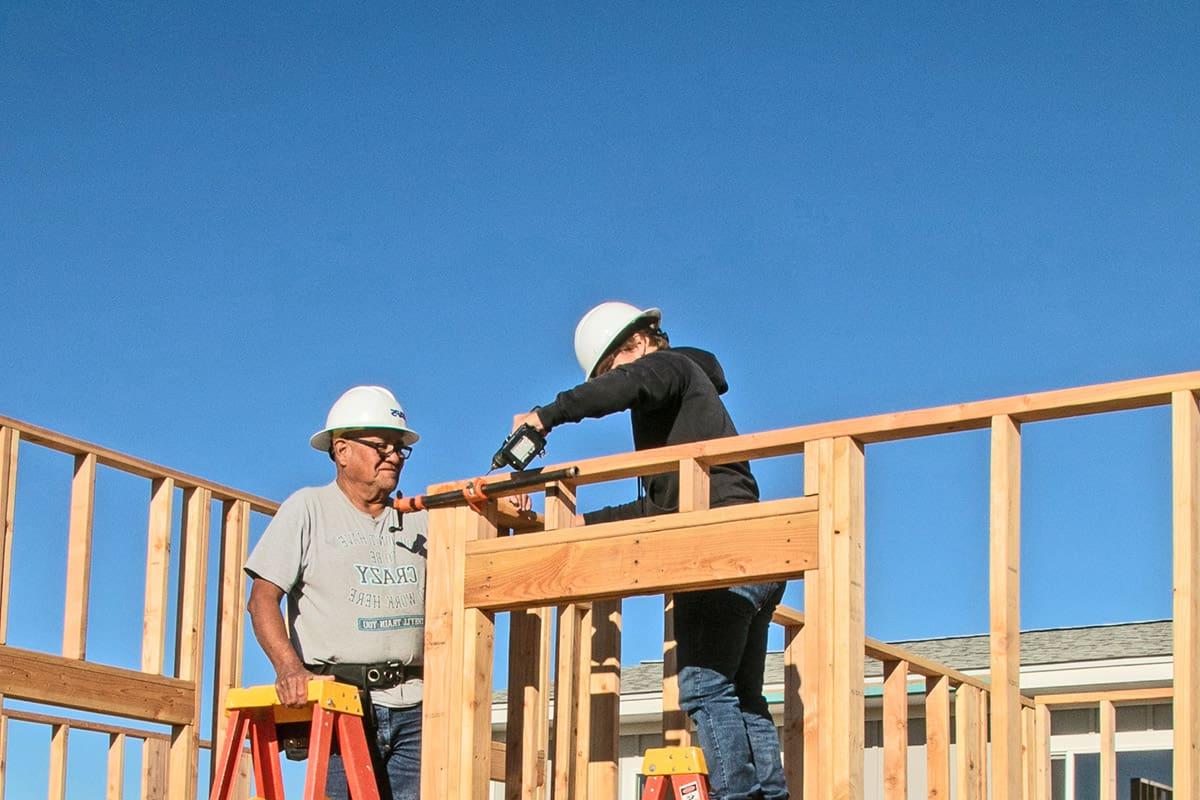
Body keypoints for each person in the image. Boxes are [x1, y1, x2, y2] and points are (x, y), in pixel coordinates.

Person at [514, 301, 787, 800]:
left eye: (613, 370)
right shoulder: (687, 428)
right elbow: (660, 510)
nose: (621, 384)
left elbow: (630, 385)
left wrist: (546, 416)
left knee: (706, 690)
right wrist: (577, 525)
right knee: (743, 696)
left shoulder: (671, 366)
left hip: (715, 551)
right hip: (756, 548)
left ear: (638, 343)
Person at [245, 385, 427, 800]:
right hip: (343, 703)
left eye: (400, 448)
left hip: (416, 705)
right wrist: (289, 669)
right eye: (381, 446)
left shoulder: (421, 521)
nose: (394, 456)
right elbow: (262, 599)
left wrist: (509, 511)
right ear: (342, 450)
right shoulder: (308, 509)